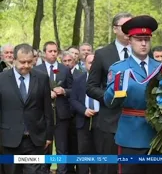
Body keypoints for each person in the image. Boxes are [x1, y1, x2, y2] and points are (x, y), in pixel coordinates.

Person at [104, 15, 162, 174]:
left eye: (146, 39)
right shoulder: (120, 68)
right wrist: (118, 87)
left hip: (157, 135)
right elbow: (109, 102)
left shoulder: (161, 67)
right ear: (129, 40)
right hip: (131, 136)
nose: (144, 43)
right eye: (139, 39)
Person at [86, 12, 132, 174]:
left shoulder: (141, 52)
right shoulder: (103, 54)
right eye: (124, 27)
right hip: (110, 121)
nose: (129, 31)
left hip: (137, 121)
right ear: (114, 29)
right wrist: (108, 96)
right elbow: (91, 87)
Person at [0, 43, 53, 174]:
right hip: (9, 139)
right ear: (14, 59)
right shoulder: (2, 79)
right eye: (22, 62)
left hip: (34, 139)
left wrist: (49, 135)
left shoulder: (42, 78)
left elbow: (47, 108)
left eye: (30, 62)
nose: (26, 65)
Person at [35, 41, 73, 174]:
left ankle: (62, 171)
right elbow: (32, 92)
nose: (52, 54)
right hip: (44, 116)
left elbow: (73, 89)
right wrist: (46, 94)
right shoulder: (36, 70)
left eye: (55, 51)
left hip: (61, 115)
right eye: (50, 51)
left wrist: (64, 91)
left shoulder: (65, 69)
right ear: (44, 53)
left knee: (62, 147)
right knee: (45, 147)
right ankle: (44, 170)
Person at [70, 53, 99, 174]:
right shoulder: (78, 80)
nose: (92, 65)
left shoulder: (104, 80)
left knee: (98, 152)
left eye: (94, 63)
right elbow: (73, 100)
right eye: (90, 62)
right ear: (84, 64)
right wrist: (84, 110)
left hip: (100, 121)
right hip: (83, 121)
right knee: (83, 152)